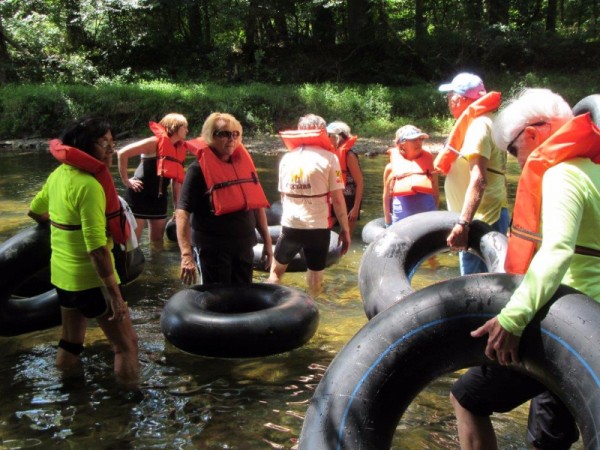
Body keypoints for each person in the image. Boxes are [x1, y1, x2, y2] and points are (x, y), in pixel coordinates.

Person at [450, 88, 600, 449]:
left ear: (531, 134)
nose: (517, 161)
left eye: (513, 151)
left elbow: (557, 252)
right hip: (592, 323)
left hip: (569, 318)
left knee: (467, 397)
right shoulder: (593, 169)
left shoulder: (562, 175)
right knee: (548, 438)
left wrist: (512, 319)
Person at [28, 116, 139, 388]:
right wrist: (115, 296)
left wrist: (64, 228)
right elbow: (98, 249)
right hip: (93, 280)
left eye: (113, 143)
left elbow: (35, 210)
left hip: (64, 276)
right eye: (105, 144)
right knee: (126, 345)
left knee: (71, 341)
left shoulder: (58, 175)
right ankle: (127, 404)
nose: (111, 150)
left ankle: (70, 395)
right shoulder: (90, 186)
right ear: (83, 146)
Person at [176, 112, 272, 286]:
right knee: (218, 303)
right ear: (210, 136)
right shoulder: (197, 170)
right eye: (224, 134)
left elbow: (256, 205)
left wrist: (267, 241)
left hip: (244, 246)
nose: (231, 139)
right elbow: (182, 212)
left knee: (242, 299)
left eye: (235, 134)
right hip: (213, 250)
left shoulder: (243, 166)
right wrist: (186, 255)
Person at [267, 113, 351, 296]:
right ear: (321, 131)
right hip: (318, 228)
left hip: (291, 225)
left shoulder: (286, 159)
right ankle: (314, 310)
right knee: (315, 277)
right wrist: (345, 229)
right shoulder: (330, 158)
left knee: (275, 272)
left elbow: (283, 197)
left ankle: (269, 307)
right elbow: (338, 199)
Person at [436, 72, 509, 275]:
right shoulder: (489, 121)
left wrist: (463, 223)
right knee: (490, 285)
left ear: (460, 98)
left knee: (475, 291)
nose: (448, 101)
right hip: (487, 214)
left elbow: (479, 179)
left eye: (449, 96)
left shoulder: (478, 126)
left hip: (480, 219)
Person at [117, 113, 189, 245]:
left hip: (159, 197)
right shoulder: (154, 142)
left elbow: (176, 183)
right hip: (139, 195)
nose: (187, 130)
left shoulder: (179, 150)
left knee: (157, 242)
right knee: (133, 242)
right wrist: (126, 180)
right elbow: (122, 153)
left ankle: (155, 266)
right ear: (174, 127)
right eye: (185, 127)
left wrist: (177, 208)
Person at [382, 125, 439, 226]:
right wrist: (388, 221)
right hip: (402, 220)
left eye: (420, 139)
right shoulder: (390, 168)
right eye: (413, 140)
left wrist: (436, 213)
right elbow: (386, 195)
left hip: (428, 218)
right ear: (402, 144)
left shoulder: (430, 165)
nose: (418, 142)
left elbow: (435, 191)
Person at [326, 121, 364, 235]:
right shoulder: (331, 154)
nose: (326, 138)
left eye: (329, 135)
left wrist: (356, 208)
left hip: (349, 200)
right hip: (335, 197)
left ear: (339, 137)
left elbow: (360, 183)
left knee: (346, 235)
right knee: (326, 230)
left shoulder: (349, 155)